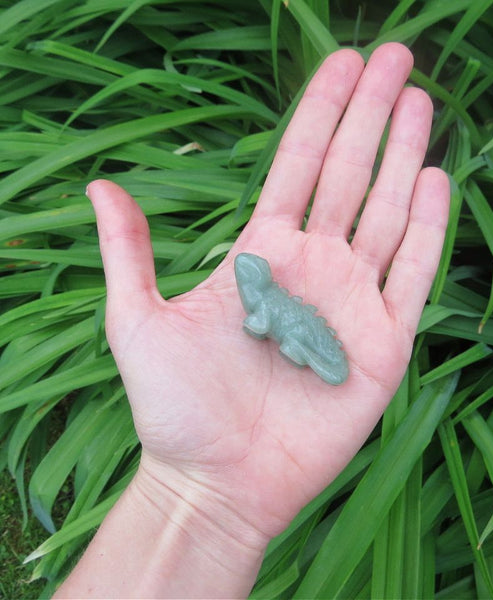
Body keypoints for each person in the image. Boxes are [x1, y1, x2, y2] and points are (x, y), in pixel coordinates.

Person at [54, 42, 449, 599]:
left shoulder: (265, 300)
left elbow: (263, 323)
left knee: (309, 344)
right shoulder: (262, 300)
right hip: (294, 324)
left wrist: (199, 499)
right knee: (304, 343)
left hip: (302, 325)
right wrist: (199, 488)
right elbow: (259, 324)